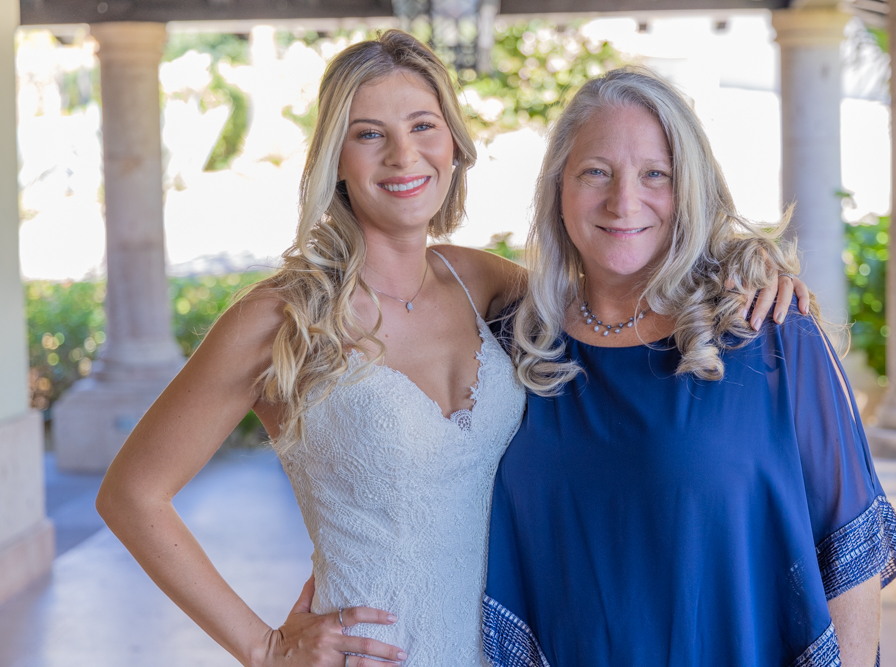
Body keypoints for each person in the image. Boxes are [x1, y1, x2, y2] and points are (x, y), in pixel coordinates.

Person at [96, 32, 807, 667]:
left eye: (422, 126)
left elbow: (620, 297)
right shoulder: (281, 317)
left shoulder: (485, 284)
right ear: (335, 158)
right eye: (369, 134)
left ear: (454, 145)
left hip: (510, 645)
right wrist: (264, 647)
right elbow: (131, 494)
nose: (403, 155)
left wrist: (747, 265)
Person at [483, 67, 896, 667]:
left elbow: (850, 548)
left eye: (656, 174)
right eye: (595, 172)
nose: (623, 201)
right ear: (558, 188)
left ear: (691, 190)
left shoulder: (768, 331)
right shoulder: (515, 343)